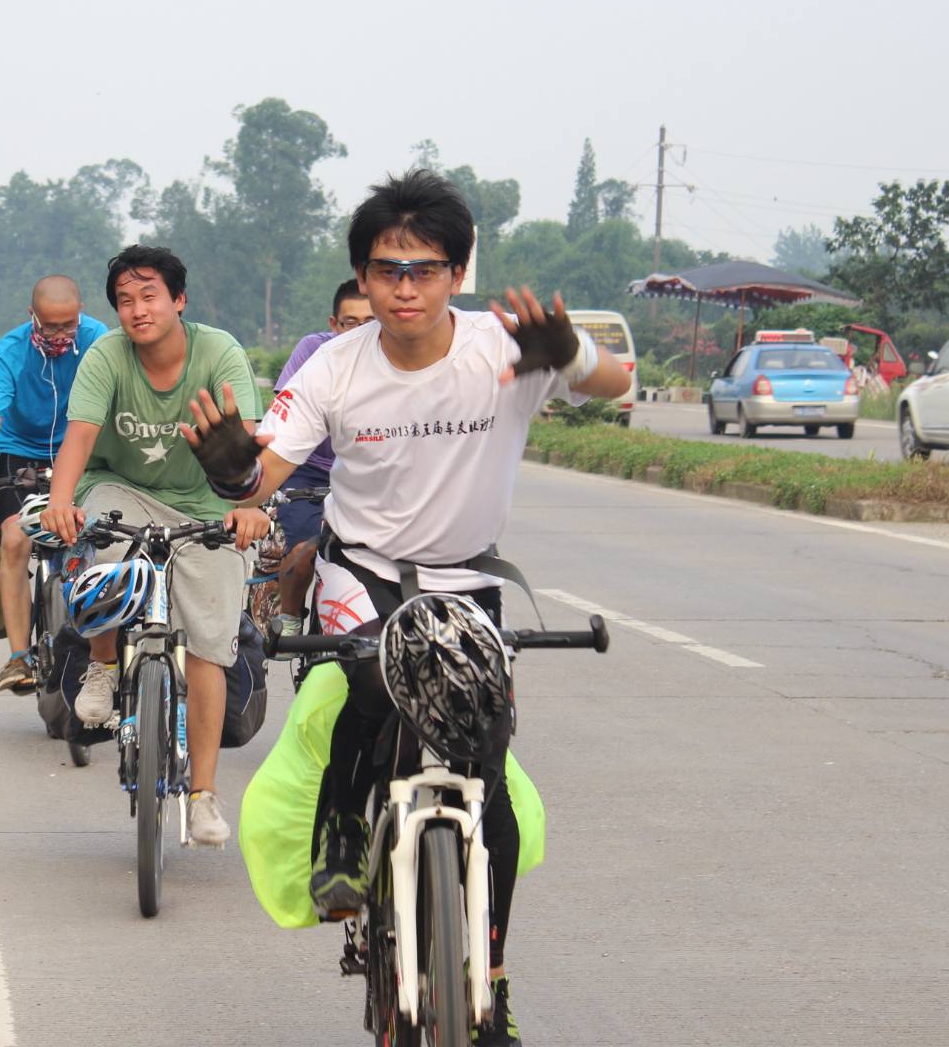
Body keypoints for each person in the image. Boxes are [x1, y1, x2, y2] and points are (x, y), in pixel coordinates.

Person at [181, 169, 629, 1046]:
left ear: (458, 273)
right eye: (387, 270)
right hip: (365, 571)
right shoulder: (334, 368)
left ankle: (489, 976)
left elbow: (614, 386)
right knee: (373, 681)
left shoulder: (506, 349)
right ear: (363, 275)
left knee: (485, 758)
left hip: (468, 577)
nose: (405, 288)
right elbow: (263, 471)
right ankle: (343, 849)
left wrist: (571, 352)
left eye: (424, 269)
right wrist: (232, 470)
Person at [39, 245, 270, 848]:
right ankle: (103, 662)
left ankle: (203, 798)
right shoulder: (107, 356)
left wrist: (249, 507)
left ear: (179, 301)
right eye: (124, 300)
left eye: (149, 296)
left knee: (210, 644)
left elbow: (245, 441)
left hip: (208, 505)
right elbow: (81, 436)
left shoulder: (219, 352)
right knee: (109, 563)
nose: (137, 310)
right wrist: (62, 501)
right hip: (124, 491)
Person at [0, 276, 109, 694]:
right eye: (50, 327)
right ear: (32, 318)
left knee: (102, 536)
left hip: (83, 452)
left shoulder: (101, 341)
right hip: (23, 455)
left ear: (81, 314)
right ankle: (18, 656)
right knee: (13, 540)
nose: (61, 336)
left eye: (69, 325)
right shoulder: (10, 351)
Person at [268, 279, 373, 633]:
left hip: (365, 475)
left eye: (370, 322)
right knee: (305, 549)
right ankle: (290, 617)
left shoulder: (398, 357)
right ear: (334, 324)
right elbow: (284, 413)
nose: (360, 332)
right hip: (308, 471)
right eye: (350, 323)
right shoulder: (315, 351)